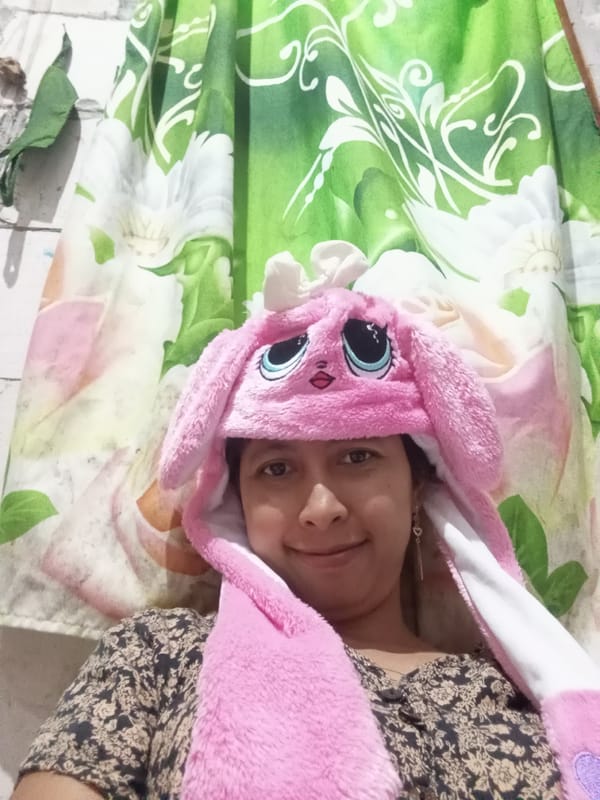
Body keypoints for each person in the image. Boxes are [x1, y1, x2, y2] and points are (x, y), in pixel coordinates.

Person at [12, 277, 600, 800]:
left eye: (358, 456)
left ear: (418, 482)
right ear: (235, 501)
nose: (321, 508)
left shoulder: (528, 699)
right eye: (276, 468)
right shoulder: (158, 657)